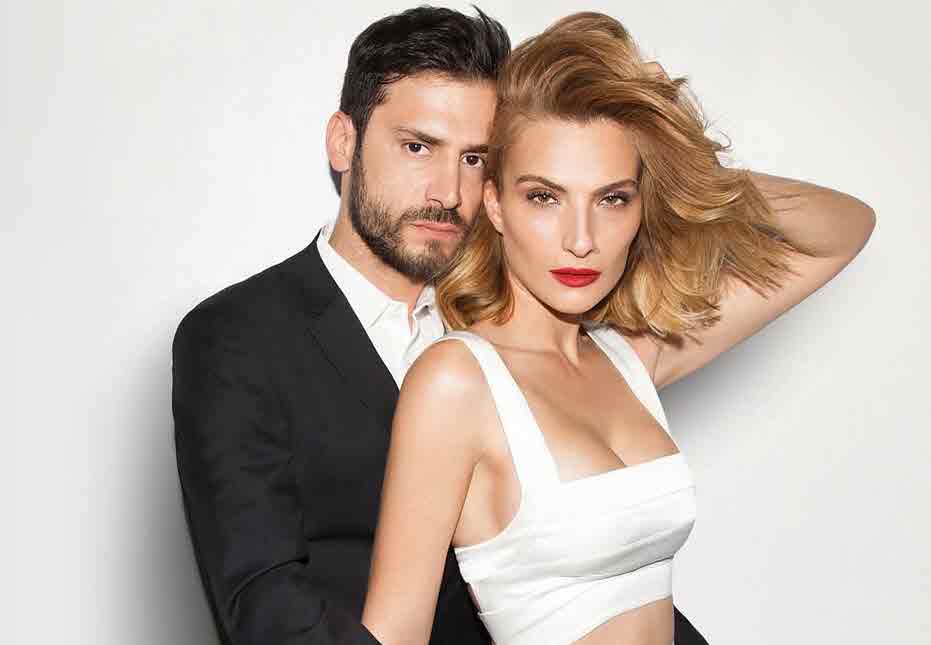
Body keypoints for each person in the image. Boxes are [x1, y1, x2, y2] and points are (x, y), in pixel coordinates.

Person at [172, 6, 710, 644]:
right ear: (343, 142)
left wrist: (651, 124)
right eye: (418, 147)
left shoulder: (520, 318)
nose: (448, 192)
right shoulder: (238, 336)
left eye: (475, 157)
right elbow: (267, 604)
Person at [360, 12, 875, 645]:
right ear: (495, 204)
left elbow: (842, 230)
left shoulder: (631, 356)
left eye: (611, 198)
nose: (581, 240)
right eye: (544, 197)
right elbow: (393, 633)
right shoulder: (455, 381)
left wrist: (681, 156)